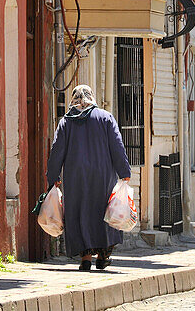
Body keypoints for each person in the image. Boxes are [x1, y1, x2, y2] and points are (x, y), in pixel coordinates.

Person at [46, 85, 133, 271]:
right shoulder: (105, 118)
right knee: (103, 211)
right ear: (91, 97)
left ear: (74, 99)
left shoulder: (66, 122)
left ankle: (85, 258)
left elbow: (56, 151)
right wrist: (124, 172)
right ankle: (103, 255)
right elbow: (117, 146)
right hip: (103, 176)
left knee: (79, 213)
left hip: (75, 176)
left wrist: (52, 176)